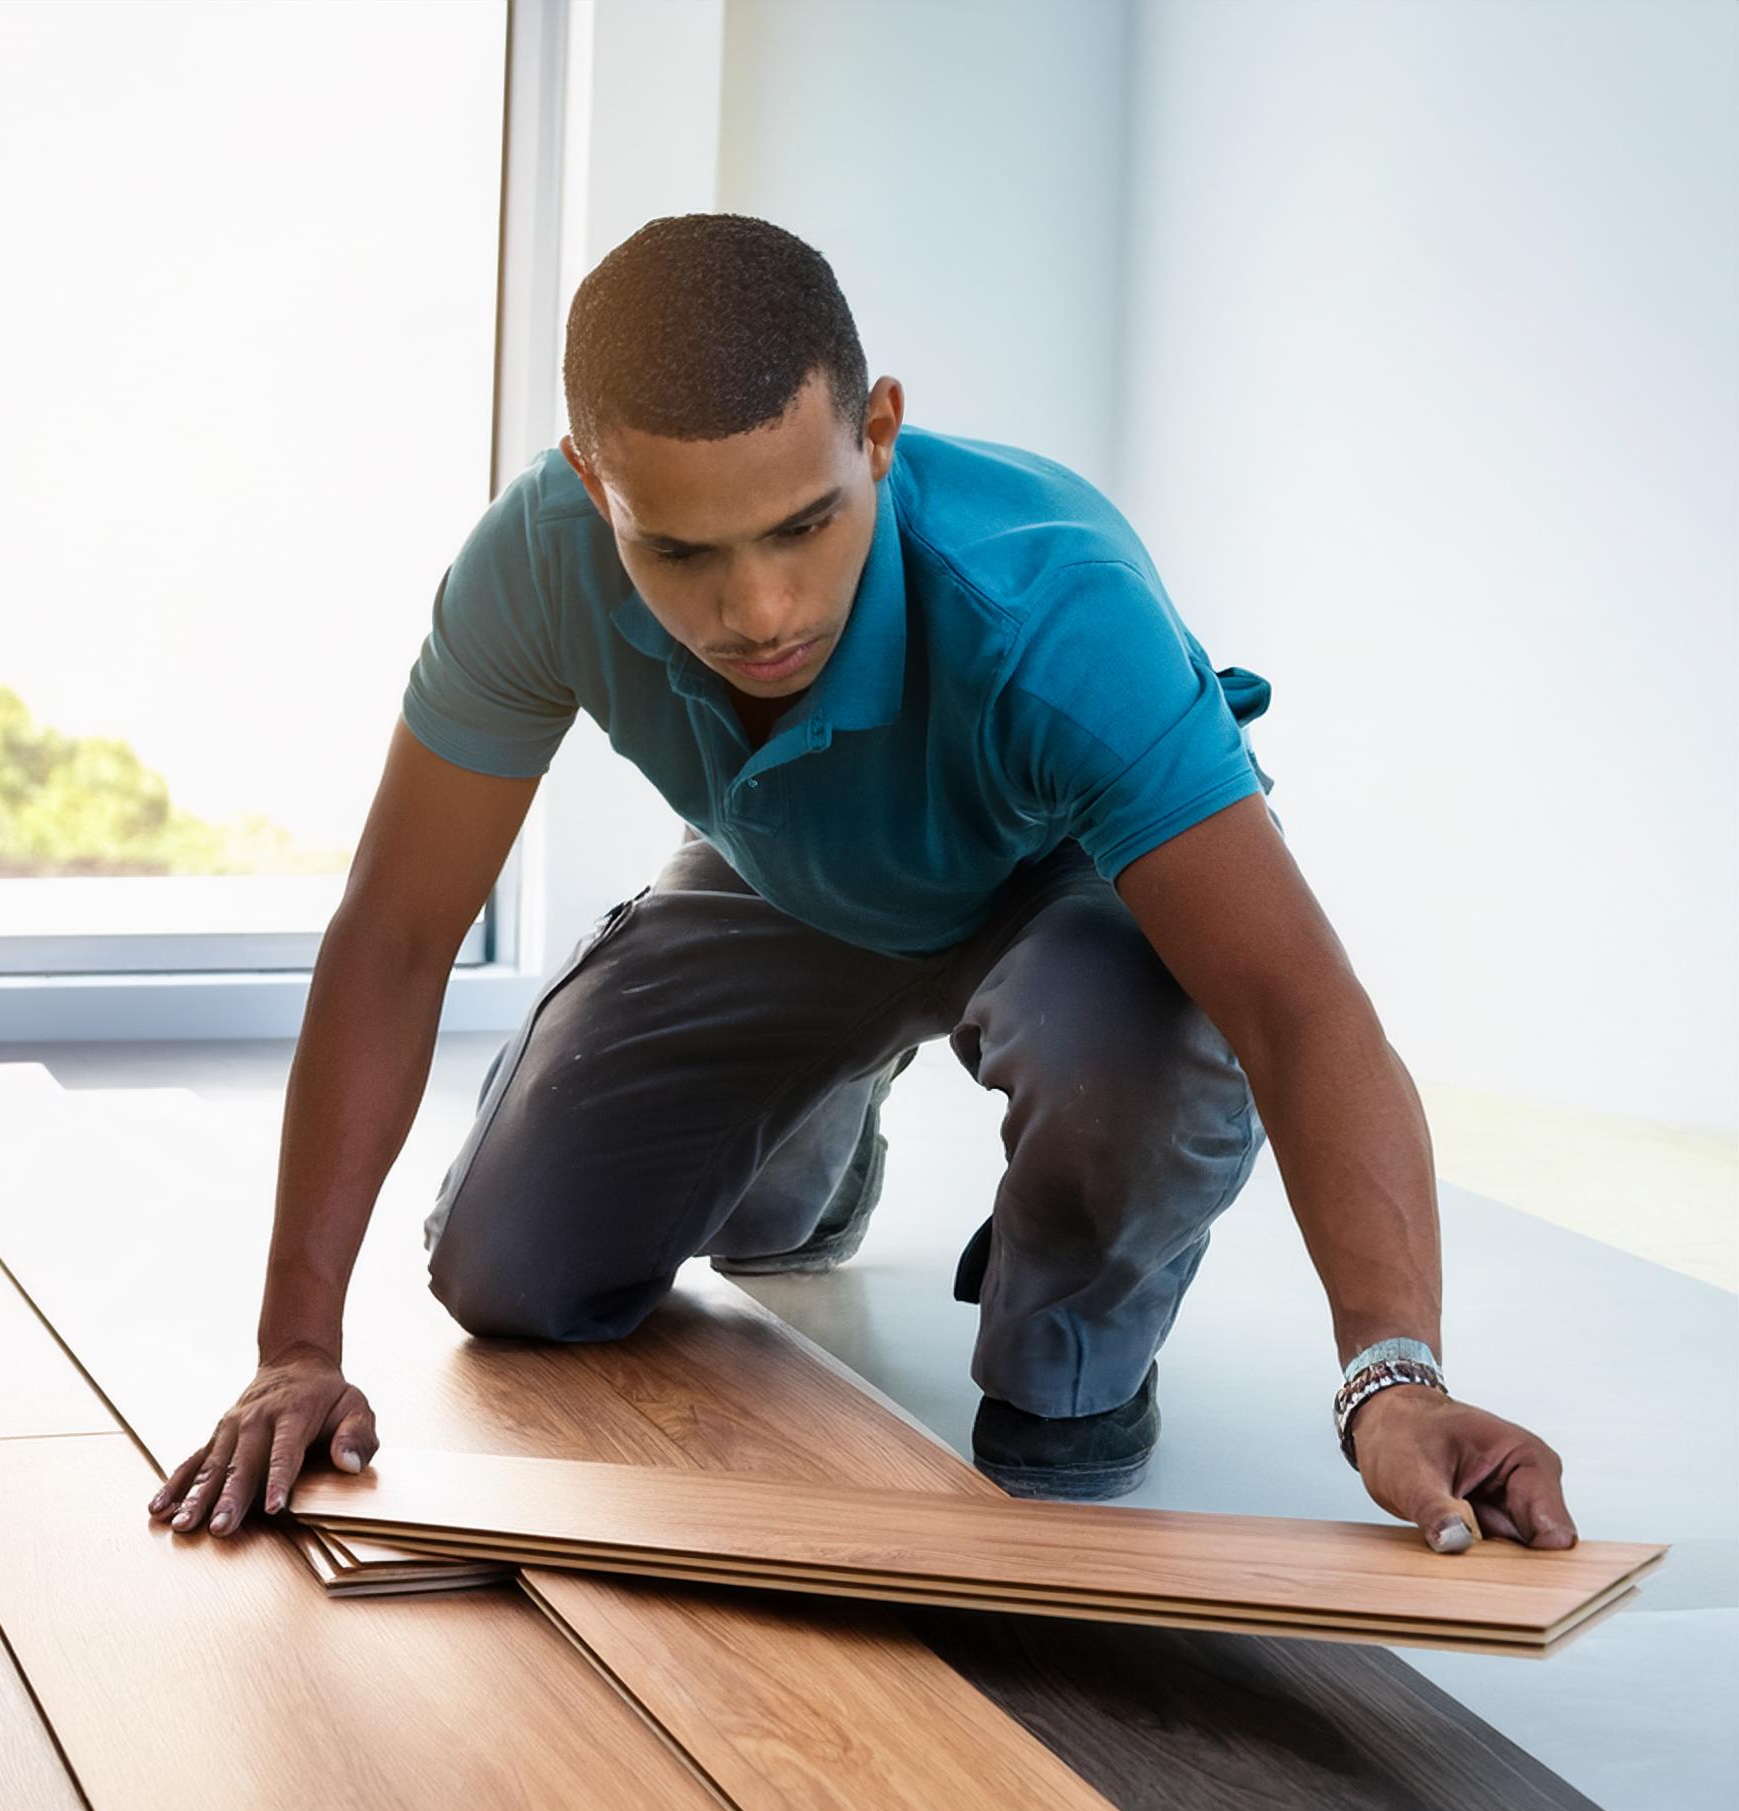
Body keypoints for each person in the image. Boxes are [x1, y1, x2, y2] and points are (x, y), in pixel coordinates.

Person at [150, 213, 1576, 1558]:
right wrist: (297, 1350)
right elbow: (397, 935)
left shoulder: (1053, 608)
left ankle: (1071, 1341)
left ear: (878, 432)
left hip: (1062, 876)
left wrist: (1392, 1376)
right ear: (595, 488)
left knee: (1117, 1121)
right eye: (680, 551)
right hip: (782, 877)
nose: (758, 613)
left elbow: (1296, 1007)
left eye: (803, 527)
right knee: (511, 1280)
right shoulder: (534, 560)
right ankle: (824, 1130)